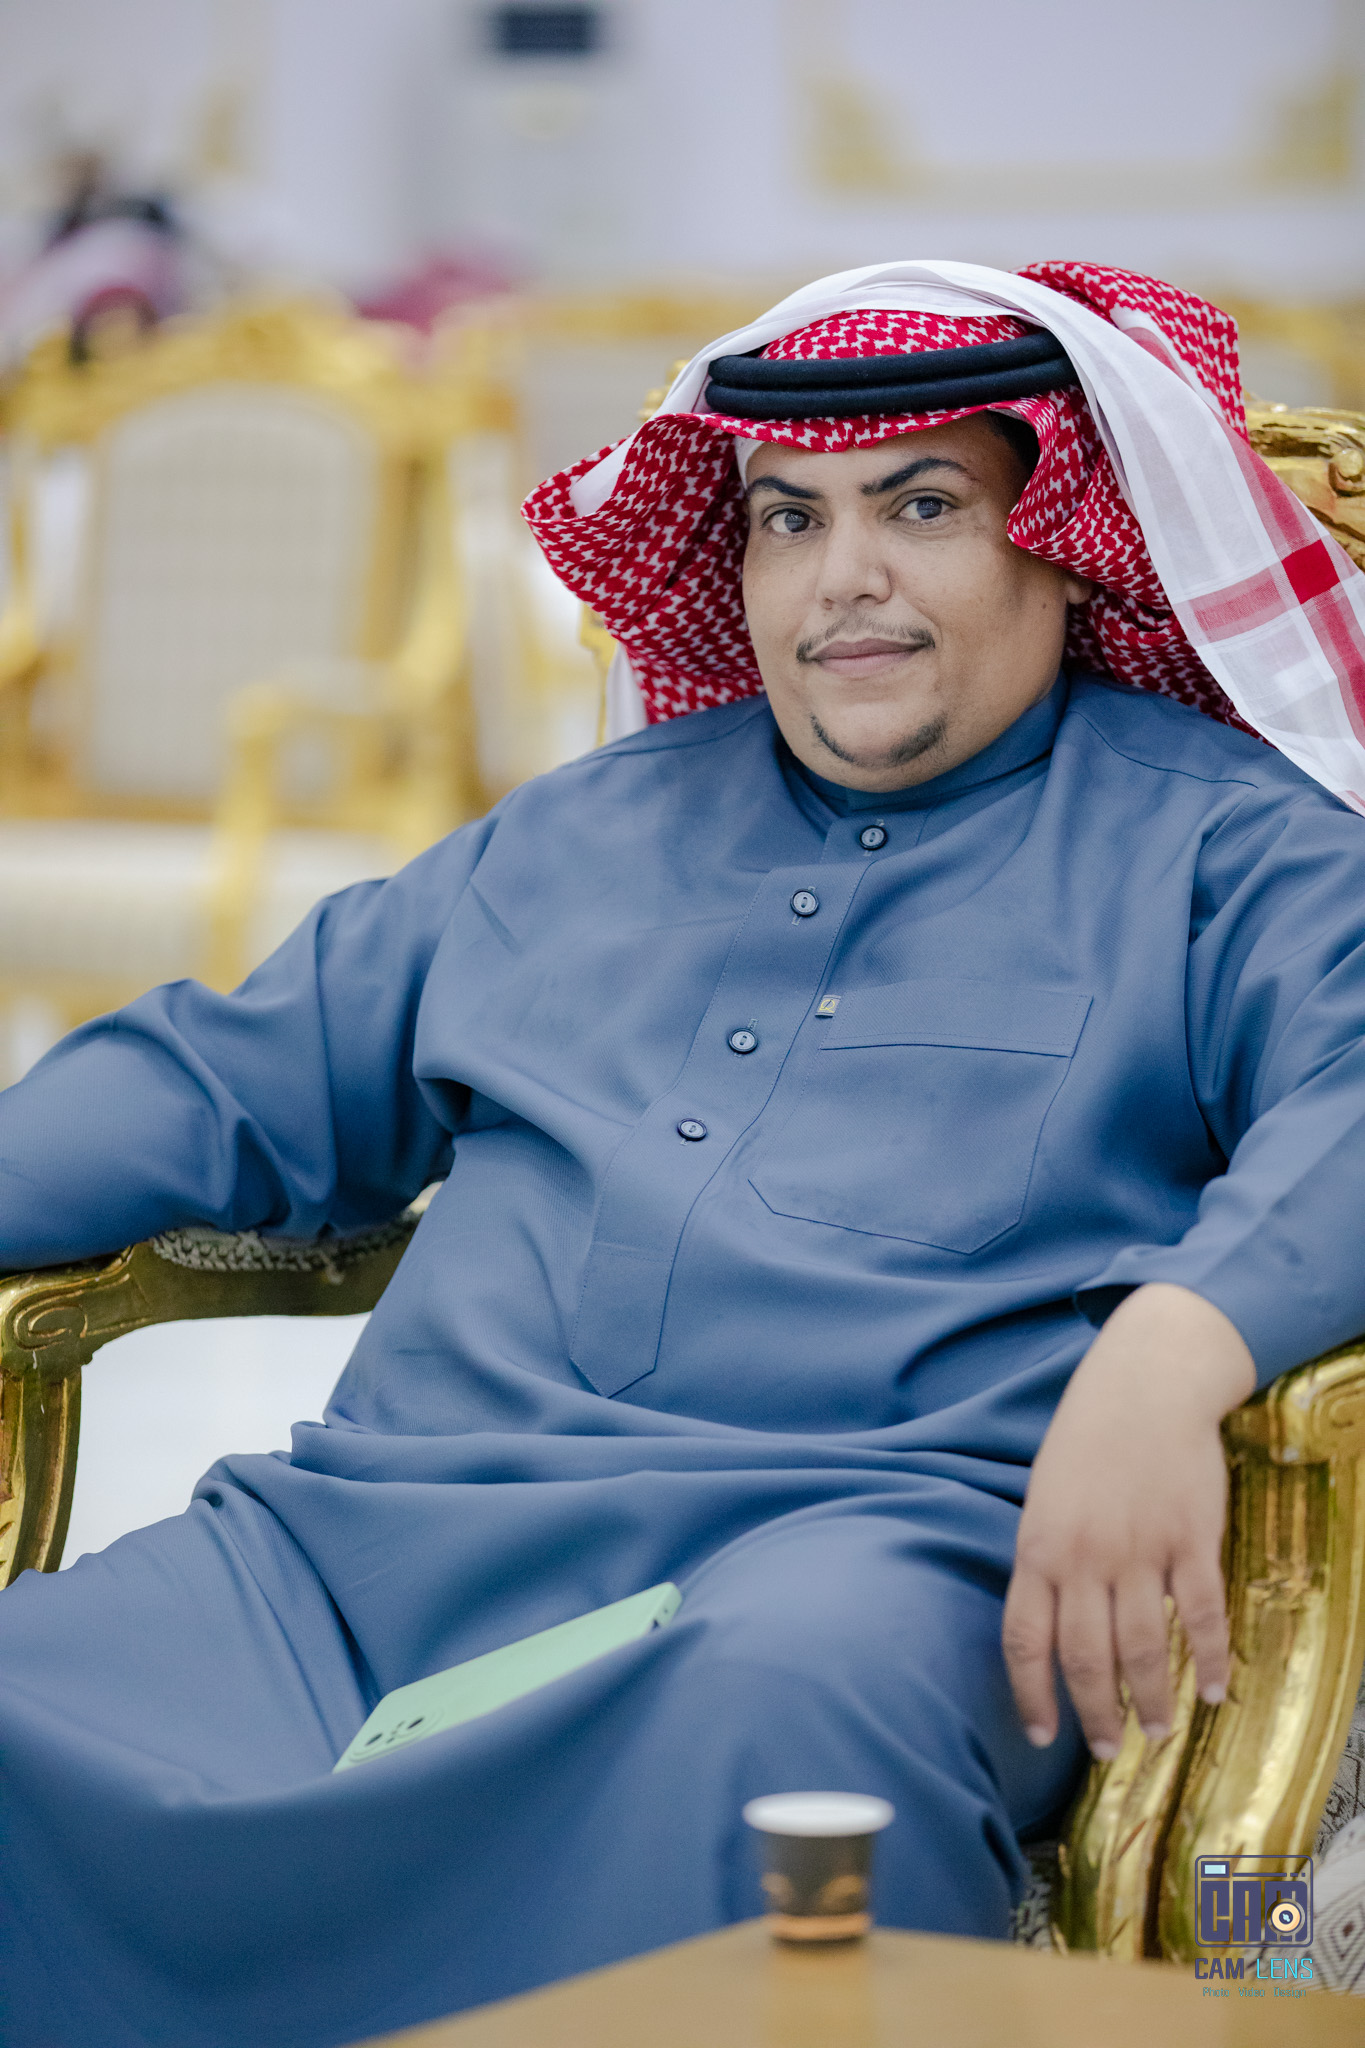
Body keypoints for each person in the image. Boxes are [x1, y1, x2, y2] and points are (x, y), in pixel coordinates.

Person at [3, 259, 1365, 2046]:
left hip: (839, 1563)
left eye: (922, 507)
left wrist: (1179, 1341)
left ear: (1062, 544)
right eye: (788, 519)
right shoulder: (577, 833)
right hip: (359, 1556)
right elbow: (220, 1080)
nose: (842, 575)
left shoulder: (1221, 849)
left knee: (781, 1740)